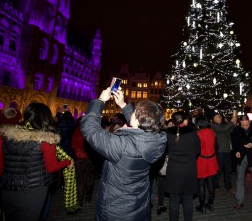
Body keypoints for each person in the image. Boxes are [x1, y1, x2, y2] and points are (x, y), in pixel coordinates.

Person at [81, 87, 167, 220]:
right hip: (138, 205)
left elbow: (89, 129)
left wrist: (100, 100)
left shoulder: (122, 146)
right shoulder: (158, 140)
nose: (133, 111)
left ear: (138, 120)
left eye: (135, 110)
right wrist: (122, 104)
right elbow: (141, 125)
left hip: (116, 210)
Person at [0, 103, 73, 221]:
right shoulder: (46, 140)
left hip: (8, 188)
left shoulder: (8, 137)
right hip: (33, 190)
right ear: (46, 118)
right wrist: (67, 162)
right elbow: (51, 167)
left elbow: (2, 167)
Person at [164, 111, 201, 221]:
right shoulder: (193, 133)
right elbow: (198, 150)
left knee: (173, 201)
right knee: (188, 200)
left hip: (173, 171)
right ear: (185, 120)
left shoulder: (167, 133)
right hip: (188, 170)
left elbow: (164, 150)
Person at [232, 114, 252, 210]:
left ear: (249, 122)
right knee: (239, 179)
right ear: (239, 123)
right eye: (243, 125)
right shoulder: (237, 130)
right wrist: (236, 151)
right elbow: (235, 143)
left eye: (246, 125)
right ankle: (239, 201)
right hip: (241, 156)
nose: (245, 127)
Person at [195, 115, 219, 214]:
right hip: (212, 160)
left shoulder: (197, 134)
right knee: (211, 183)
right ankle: (211, 203)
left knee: (201, 185)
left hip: (202, 161)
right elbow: (216, 146)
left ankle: (202, 205)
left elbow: (196, 149)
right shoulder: (212, 132)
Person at [71, 117, 97, 207]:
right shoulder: (94, 130)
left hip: (80, 158)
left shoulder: (78, 130)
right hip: (92, 158)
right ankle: (88, 198)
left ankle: (79, 202)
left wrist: (77, 151)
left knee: (80, 180)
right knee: (90, 178)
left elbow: (73, 144)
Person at [211, 113, 236, 193]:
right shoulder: (213, 125)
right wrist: (231, 123)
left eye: (220, 116)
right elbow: (223, 130)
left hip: (228, 150)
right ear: (213, 119)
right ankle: (216, 186)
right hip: (220, 151)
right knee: (219, 170)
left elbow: (230, 131)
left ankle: (228, 186)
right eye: (218, 116)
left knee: (228, 170)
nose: (220, 117)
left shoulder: (223, 125)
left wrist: (232, 125)